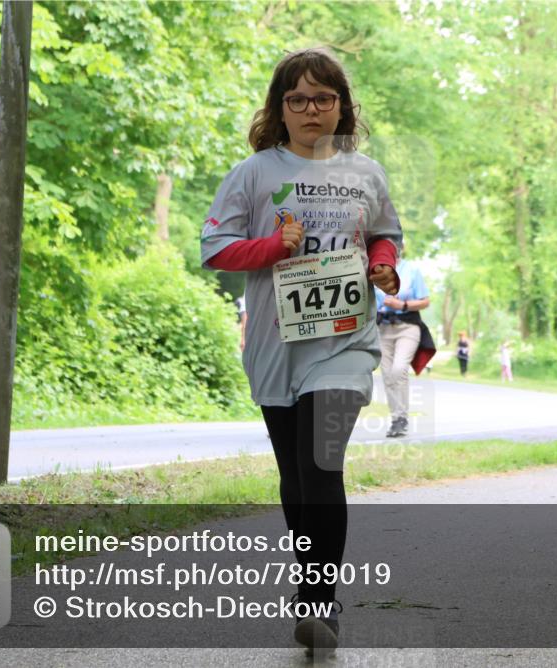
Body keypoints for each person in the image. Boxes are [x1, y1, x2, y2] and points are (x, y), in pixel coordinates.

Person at [200, 47, 402, 656]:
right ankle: (311, 587)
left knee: (321, 463)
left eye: (323, 98)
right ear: (280, 108)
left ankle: (318, 605)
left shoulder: (366, 173)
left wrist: (384, 267)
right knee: (295, 476)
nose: (311, 109)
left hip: (346, 343)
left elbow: (384, 235)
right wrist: (272, 248)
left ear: (342, 106)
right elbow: (215, 248)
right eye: (298, 99)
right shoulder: (254, 173)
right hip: (276, 345)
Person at [375, 257, 435, 438]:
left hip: (407, 327)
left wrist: (402, 305)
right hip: (383, 328)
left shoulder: (412, 270)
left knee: (399, 369)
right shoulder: (373, 269)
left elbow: (425, 301)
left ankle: (402, 417)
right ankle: (397, 419)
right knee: (387, 374)